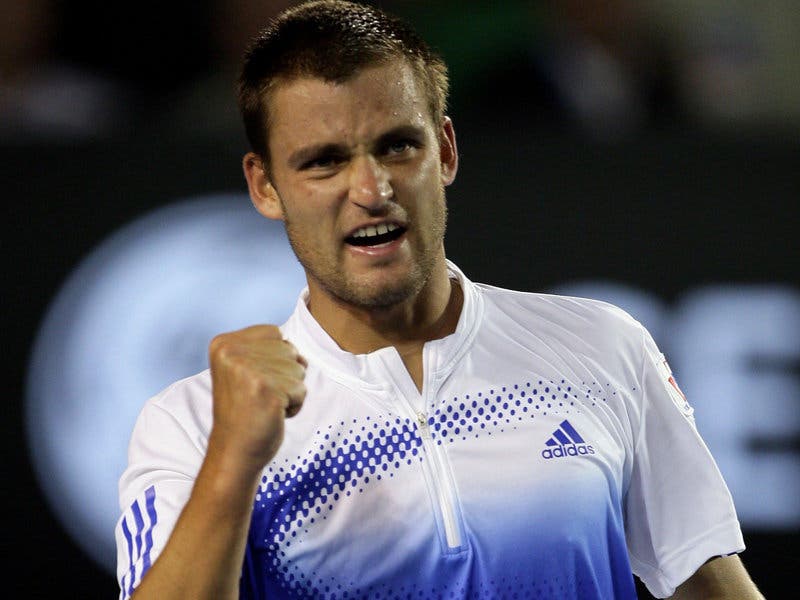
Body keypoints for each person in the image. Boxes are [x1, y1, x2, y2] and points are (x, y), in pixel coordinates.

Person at [115, 1, 763, 598]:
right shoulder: (192, 425)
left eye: (397, 146)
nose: (371, 190)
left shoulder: (604, 347)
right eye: (324, 161)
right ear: (264, 186)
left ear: (445, 150)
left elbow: (713, 586)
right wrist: (233, 461)